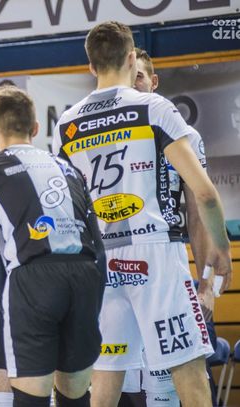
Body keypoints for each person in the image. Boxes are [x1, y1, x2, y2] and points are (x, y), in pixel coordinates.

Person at [53, 21, 232, 407]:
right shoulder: (154, 107)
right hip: (155, 256)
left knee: (106, 379)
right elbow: (204, 194)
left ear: (90, 65)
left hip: (101, 261)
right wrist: (221, 248)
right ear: (131, 57)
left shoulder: (66, 124)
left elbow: (67, 210)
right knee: (188, 372)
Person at [0, 85, 106, 407]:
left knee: (31, 398)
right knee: (76, 397)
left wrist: (12, 306)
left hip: (31, 280)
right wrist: (92, 304)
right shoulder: (70, 169)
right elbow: (99, 250)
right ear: (36, 128)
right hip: (84, 275)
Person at [119, 47, 218, 407]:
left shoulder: (182, 132)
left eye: (139, 77)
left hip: (166, 266)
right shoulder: (109, 133)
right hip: (116, 275)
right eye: (128, 76)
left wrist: (207, 284)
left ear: (154, 82)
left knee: (182, 379)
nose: (132, 84)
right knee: (119, 384)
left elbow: (198, 212)